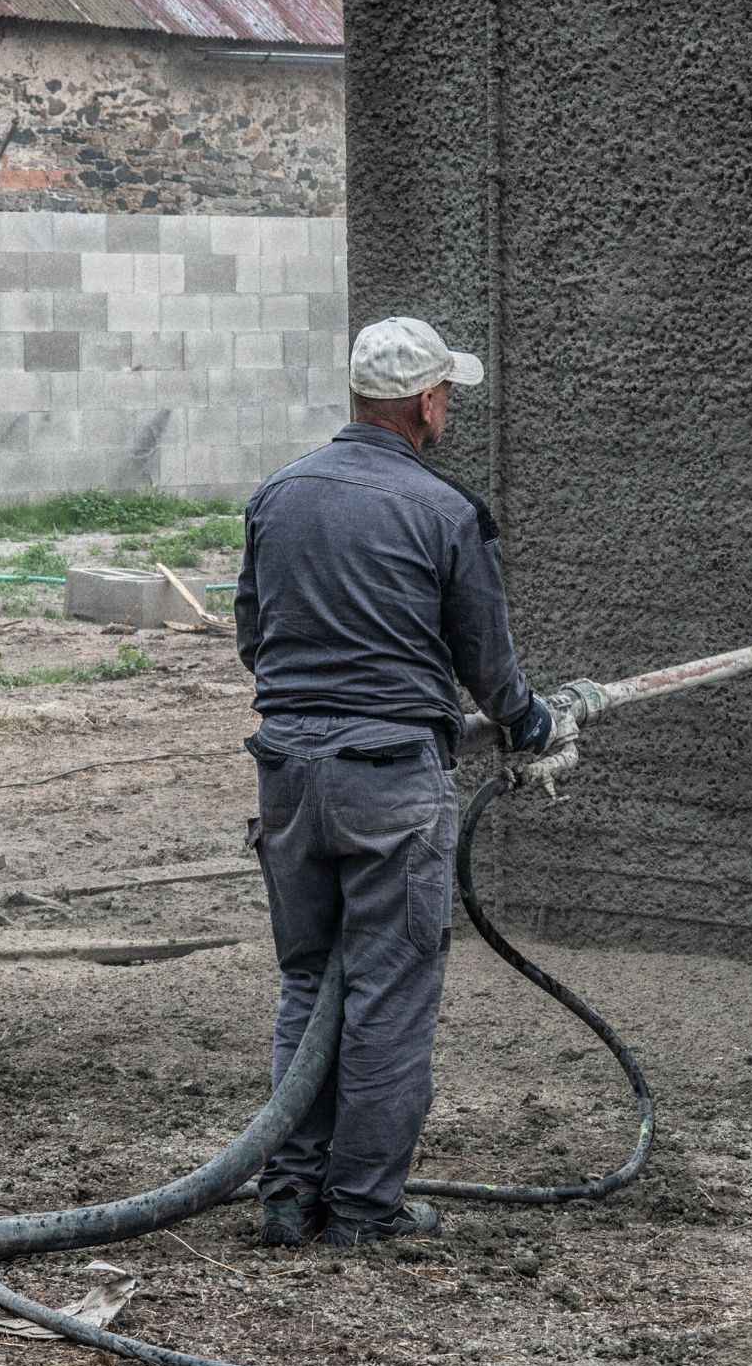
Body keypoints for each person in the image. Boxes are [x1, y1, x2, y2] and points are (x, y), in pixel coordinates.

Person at [234, 316, 555, 1249]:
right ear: (425, 401)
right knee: (387, 992)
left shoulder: (277, 493)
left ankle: (289, 1197)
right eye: (448, 391)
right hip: (391, 785)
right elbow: (488, 668)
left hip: (288, 775)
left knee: (308, 983)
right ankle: (366, 1212)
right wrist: (529, 722)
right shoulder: (447, 512)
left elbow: (255, 637)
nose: (449, 404)